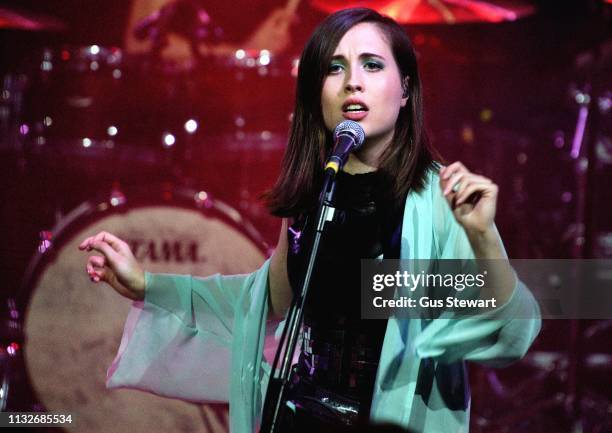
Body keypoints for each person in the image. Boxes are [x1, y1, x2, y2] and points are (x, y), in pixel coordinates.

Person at [79, 7, 541, 433]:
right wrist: (147, 284)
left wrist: (481, 238)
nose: (351, 82)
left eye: (372, 65)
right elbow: (263, 306)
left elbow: (507, 333)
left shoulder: (440, 201)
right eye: (334, 68)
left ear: (405, 90)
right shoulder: (316, 194)